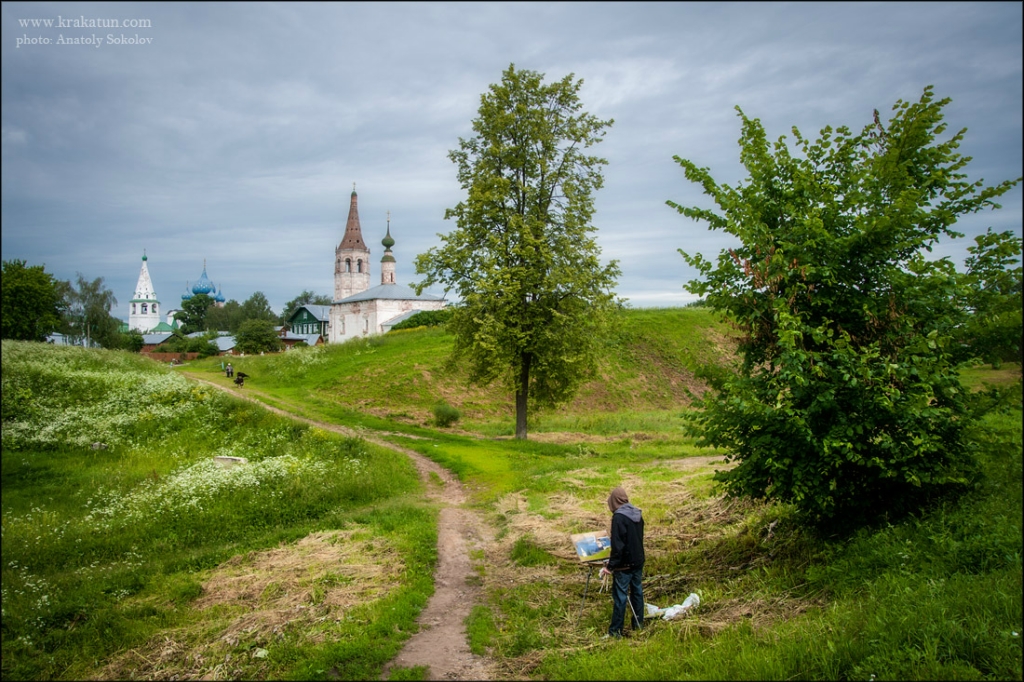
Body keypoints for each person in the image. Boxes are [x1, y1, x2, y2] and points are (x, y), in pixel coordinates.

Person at [599, 486, 645, 638]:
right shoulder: (637, 513)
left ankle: (615, 632)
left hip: (624, 565)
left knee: (620, 597)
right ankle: (638, 625)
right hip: (638, 561)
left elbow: (618, 545)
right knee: (637, 593)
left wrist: (610, 567)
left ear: (613, 501)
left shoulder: (619, 517)